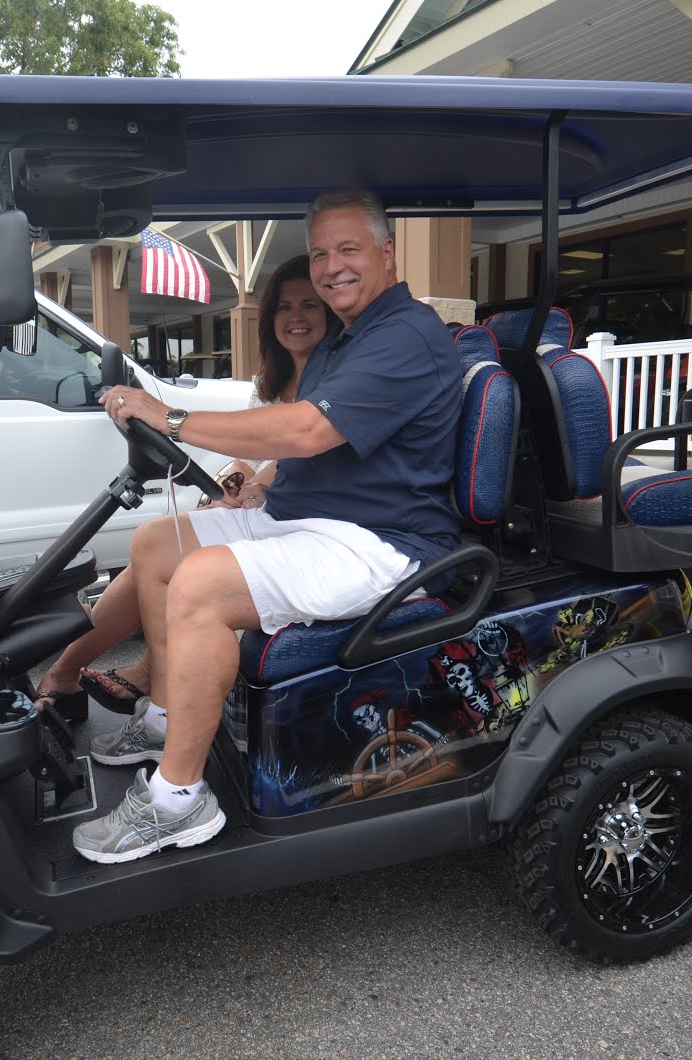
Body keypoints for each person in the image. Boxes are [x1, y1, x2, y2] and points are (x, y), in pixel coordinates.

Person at [73, 188, 462, 864]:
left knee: (199, 585)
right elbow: (302, 434)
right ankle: (165, 721)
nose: (332, 267)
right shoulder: (350, 336)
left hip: (377, 542)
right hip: (308, 519)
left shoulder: (406, 334)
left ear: (387, 252)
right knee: (157, 546)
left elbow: (308, 430)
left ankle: (177, 802)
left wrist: (169, 417)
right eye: (320, 255)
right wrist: (253, 483)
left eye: (349, 249)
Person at [30, 255, 331, 716]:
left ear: (328, 312)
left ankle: (137, 687)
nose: (296, 318)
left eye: (309, 306)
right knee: (154, 551)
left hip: (302, 523)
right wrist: (227, 489)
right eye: (284, 307)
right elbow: (248, 460)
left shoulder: (335, 381)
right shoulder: (271, 380)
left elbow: (297, 449)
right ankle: (88, 671)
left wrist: (253, 485)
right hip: (263, 513)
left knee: (169, 559)